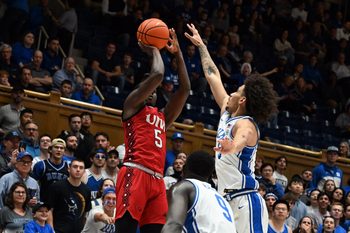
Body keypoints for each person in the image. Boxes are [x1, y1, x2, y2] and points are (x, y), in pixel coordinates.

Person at [185, 23, 278, 233]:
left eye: (236, 90)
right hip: (226, 200)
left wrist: (232, 147)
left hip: (246, 200)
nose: (231, 93)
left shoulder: (246, 124)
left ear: (242, 100)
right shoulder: (227, 111)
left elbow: (241, 139)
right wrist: (201, 45)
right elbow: (212, 75)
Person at [115, 28, 190, 233]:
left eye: (154, 91)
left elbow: (185, 90)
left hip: (157, 180)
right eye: (146, 88)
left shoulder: (163, 117)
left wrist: (178, 54)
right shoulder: (131, 106)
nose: (151, 93)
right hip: (135, 171)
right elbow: (157, 74)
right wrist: (155, 48)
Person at [161, 150, 236, 233]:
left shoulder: (185, 187)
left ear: (185, 168)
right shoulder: (222, 199)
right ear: (210, 175)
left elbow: (174, 225)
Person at [47, 159, 91, 233]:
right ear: (69, 169)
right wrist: (51, 230)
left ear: (84, 171)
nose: (78, 170)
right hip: (58, 230)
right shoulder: (57, 186)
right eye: (75, 167)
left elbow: (85, 214)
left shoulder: (86, 190)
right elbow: (49, 210)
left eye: (81, 168)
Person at [32, 138, 69, 203]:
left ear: (64, 152)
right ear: (50, 150)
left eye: (61, 148)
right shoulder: (41, 165)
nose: (59, 150)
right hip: (44, 203)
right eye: (56, 147)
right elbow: (32, 184)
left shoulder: (68, 167)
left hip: (62, 204)